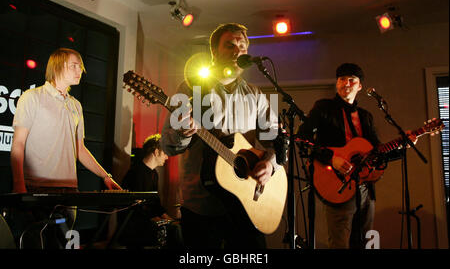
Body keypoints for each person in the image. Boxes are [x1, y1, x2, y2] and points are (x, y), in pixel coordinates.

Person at [161, 23, 280, 249]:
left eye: (242, 46)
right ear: (214, 52)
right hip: (201, 204)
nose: (237, 50)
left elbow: (274, 138)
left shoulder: (256, 94)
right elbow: (167, 146)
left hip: (246, 203)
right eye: (230, 45)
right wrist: (183, 133)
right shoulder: (189, 89)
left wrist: (270, 164)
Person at [9, 47, 121, 248]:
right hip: (37, 190)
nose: (80, 70)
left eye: (81, 66)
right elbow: (18, 144)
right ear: (59, 66)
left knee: (62, 245)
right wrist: (19, 187)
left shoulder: (76, 105)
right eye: (74, 66)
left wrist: (106, 176)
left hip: (70, 194)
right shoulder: (32, 97)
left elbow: (80, 149)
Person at [297, 63, 417, 248]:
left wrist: (403, 145)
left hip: (365, 188)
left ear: (360, 86)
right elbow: (303, 139)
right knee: (339, 244)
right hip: (337, 184)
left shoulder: (365, 116)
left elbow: (377, 152)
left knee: (366, 242)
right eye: (342, 79)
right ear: (336, 83)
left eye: (351, 80)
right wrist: (331, 159)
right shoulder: (324, 108)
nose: (346, 83)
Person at [119, 133, 182, 248]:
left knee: (176, 227)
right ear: (156, 152)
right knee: (174, 232)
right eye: (165, 153)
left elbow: (155, 203)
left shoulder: (154, 174)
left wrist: (169, 219)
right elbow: (136, 206)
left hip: (144, 220)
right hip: (134, 225)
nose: (167, 157)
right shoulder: (136, 172)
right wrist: (157, 219)